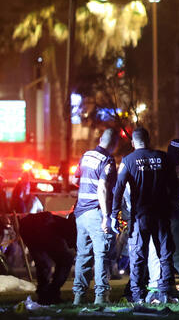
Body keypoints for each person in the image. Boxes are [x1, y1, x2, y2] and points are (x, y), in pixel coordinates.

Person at [112, 127, 178, 303]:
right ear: (149, 140)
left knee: (138, 255)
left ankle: (137, 294)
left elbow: (118, 189)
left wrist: (114, 214)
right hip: (161, 215)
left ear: (133, 143)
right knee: (164, 253)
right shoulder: (163, 158)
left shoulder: (128, 160)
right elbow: (174, 185)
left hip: (140, 216)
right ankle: (165, 290)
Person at [145, 139, 179, 303]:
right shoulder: (167, 166)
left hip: (156, 214)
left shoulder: (160, 163)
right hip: (170, 213)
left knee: (156, 251)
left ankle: (158, 289)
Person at [72, 128, 118, 305]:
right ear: (114, 144)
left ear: (100, 139)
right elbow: (103, 188)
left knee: (83, 255)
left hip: (80, 213)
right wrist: (106, 216)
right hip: (96, 212)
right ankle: (101, 297)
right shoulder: (108, 160)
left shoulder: (86, 155)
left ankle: (79, 296)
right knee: (101, 254)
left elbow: (76, 179)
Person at [19, 211, 76, 304]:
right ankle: (51, 292)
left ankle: (45, 294)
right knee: (65, 260)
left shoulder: (64, 225)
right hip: (39, 227)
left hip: (27, 226)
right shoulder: (71, 229)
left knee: (43, 263)